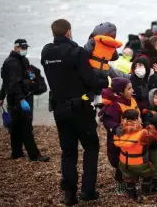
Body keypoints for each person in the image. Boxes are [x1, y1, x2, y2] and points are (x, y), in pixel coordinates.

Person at [41, 19, 108, 206]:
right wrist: (104, 81)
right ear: (68, 32)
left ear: (54, 33)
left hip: (59, 109)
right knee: (91, 146)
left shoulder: (46, 52)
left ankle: (69, 195)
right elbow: (90, 80)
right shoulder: (76, 52)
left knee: (68, 152)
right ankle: (88, 191)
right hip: (81, 108)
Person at [0, 39, 50, 162]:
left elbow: (5, 83)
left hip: (18, 98)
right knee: (26, 127)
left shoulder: (23, 61)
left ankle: (16, 153)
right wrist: (21, 100)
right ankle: (34, 155)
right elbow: (12, 84)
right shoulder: (12, 63)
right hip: (18, 99)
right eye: (22, 48)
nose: (24, 50)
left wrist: (1, 98)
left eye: (26, 47)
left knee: (15, 126)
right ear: (16, 48)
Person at [98, 78, 138, 196]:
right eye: (129, 88)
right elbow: (108, 120)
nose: (132, 90)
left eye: (131, 88)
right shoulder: (116, 105)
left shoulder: (133, 101)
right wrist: (115, 128)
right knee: (121, 163)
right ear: (121, 92)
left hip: (133, 137)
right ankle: (119, 185)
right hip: (120, 139)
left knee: (132, 161)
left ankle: (130, 183)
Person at [114, 109, 157, 203]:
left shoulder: (119, 131)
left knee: (129, 178)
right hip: (140, 164)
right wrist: (149, 126)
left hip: (124, 163)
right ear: (137, 119)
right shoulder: (142, 133)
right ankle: (145, 193)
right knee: (148, 174)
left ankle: (131, 195)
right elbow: (153, 136)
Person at [84, 22, 123, 104]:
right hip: (105, 70)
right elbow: (115, 57)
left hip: (93, 67)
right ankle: (99, 99)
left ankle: (90, 100)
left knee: (91, 84)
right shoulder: (112, 44)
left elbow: (86, 51)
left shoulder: (94, 40)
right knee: (102, 84)